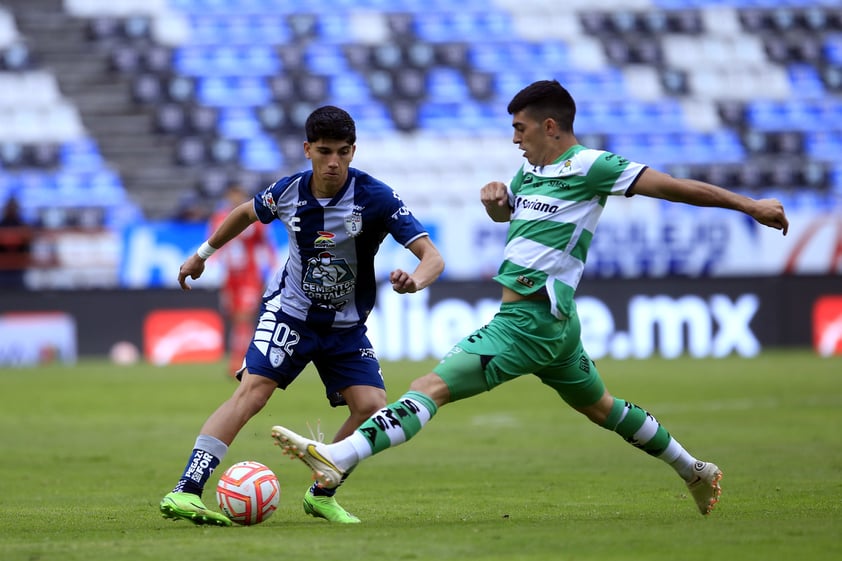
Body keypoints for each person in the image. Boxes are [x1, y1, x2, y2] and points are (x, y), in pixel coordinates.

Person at [270, 80, 790, 517]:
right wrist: (499, 205)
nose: (514, 138)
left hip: (529, 320)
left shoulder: (593, 166)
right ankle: (693, 467)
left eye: (519, 128)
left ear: (549, 126)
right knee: (601, 407)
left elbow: (673, 186)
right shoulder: (529, 172)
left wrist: (751, 206)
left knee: (430, 387)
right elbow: (515, 221)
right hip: (557, 326)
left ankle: (339, 456)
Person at [159, 105, 445, 526]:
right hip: (290, 314)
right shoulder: (289, 191)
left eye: (343, 153)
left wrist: (416, 281)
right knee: (253, 392)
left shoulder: (377, 198)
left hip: (346, 327)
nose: (334, 163)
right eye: (325, 152)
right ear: (307, 149)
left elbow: (432, 256)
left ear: (353, 151)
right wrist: (202, 255)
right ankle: (186, 490)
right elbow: (243, 213)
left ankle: (322, 493)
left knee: (371, 406)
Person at [209, 182, 275, 374]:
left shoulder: (254, 219)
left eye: (238, 195)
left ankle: (240, 361)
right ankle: (239, 359)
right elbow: (214, 245)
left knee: (244, 318)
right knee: (236, 319)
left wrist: (269, 269)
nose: (235, 199)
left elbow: (266, 245)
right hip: (230, 276)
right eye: (232, 196)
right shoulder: (219, 218)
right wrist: (212, 267)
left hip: (249, 276)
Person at [0, 195, 33, 289]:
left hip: (19, 268)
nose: (11, 209)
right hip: (2, 268)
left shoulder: (23, 226)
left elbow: (28, 245)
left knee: (18, 295)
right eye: (9, 207)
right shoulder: (2, 225)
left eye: (13, 207)